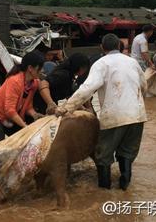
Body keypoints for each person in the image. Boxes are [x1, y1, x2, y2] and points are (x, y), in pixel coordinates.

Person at [57, 33, 147, 191]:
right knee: (127, 151)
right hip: (137, 115)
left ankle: (103, 193)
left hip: (114, 115)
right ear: (119, 46)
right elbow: (143, 85)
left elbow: (87, 88)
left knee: (103, 155)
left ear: (102, 47)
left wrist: (66, 107)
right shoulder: (132, 62)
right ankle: (124, 187)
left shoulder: (101, 63)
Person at [0, 51, 46, 194]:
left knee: (21, 146)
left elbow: (27, 105)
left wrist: (35, 115)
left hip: (10, 119)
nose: (42, 71)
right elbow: (9, 110)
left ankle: (13, 180)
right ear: (30, 68)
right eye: (40, 68)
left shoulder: (34, 83)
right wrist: (25, 127)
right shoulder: (14, 81)